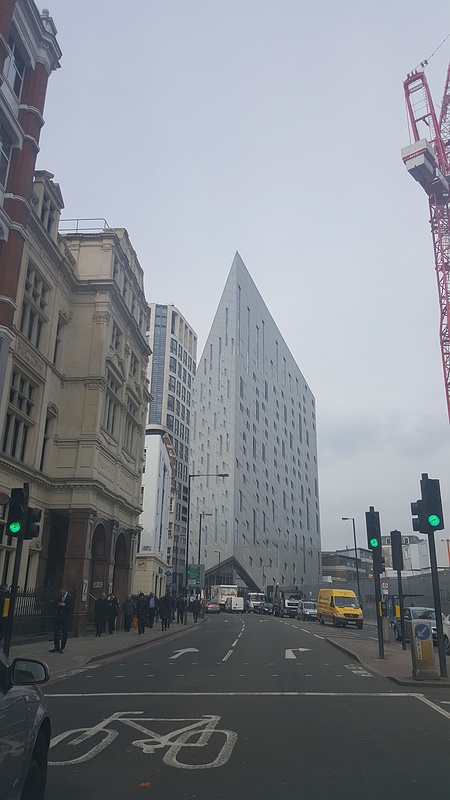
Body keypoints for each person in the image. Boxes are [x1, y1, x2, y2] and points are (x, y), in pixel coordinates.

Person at [50, 586, 74, 653]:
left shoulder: (70, 597)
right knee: (56, 631)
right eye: (61, 591)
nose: (62, 593)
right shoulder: (59, 597)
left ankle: (62, 647)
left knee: (64, 632)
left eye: (63, 591)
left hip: (66, 617)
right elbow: (55, 605)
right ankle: (56, 646)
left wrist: (65, 605)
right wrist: (58, 604)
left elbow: (72, 606)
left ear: (66, 590)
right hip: (59, 616)